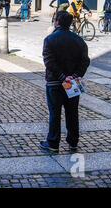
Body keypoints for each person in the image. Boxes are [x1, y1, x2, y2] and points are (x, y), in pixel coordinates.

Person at [41, 11, 90, 153]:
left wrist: (63, 77)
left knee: (54, 113)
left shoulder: (49, 39)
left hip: (55, 82)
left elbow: (49, 62)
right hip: (73, 83)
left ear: (57, 22)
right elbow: (85, 61)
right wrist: (75, 75)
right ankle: (73, 142)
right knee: (72, 113)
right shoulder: (79, 40)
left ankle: (53, 143)